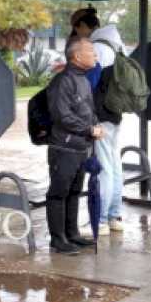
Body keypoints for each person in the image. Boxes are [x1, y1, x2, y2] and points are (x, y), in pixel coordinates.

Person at [45, 36, 104, 254]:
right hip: (64, 147)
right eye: (91, 51)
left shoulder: (84, 80)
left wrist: (96, 126)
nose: (95, 55)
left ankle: (72, 234)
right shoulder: (63, 81)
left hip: (80, 147)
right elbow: (62, 116)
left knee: (74, 191)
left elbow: (89, 110)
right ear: (77, 56)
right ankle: (58, 239)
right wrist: (88, 129)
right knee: (59, 193)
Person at [90, 24, 126, 235]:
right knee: (114, 165)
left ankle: (100, 220)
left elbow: (90, 84)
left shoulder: (99, 49)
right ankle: (115, 216)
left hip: (101, 116)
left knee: (104, 168)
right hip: (115, 115)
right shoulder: (118, 49)